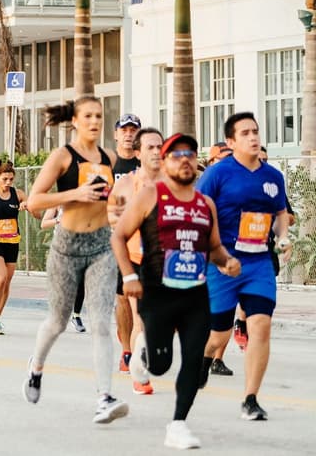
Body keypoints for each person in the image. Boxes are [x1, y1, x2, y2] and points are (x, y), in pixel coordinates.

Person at [111, 132, 241, 450]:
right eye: (177, 154)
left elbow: (213, 246)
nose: (185, 160)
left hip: (195, 294)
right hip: (158, 293)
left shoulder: (205, 204)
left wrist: (227, 261)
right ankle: (142, 353)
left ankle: (178, 423)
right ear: (166, 162)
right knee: (160, 365)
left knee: (194, 359)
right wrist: (129, 276)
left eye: (190, 155)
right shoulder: (150, 195)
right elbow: (119, 236)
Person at [24, 96, 128, 424]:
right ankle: (36, 367)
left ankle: (104, 397)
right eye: (88, 116)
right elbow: (34, 202)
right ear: (75, 121)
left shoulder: (110, 158)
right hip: (66, 246)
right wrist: (75, 194)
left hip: (100, 247)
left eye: (99, 115)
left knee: (101, 322)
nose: (94, 121)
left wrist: (117, 207)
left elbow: (112, 201)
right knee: (57, 321)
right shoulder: (63, 156)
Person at [195, 112, 290, 421]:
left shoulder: (273, 176)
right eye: (245, 133)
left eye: (255, 131)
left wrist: (283, 237)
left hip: (258, 263)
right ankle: (205, 358)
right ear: (231, 141)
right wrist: (214, 257)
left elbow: (280, 214)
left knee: (260, 325)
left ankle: (251, 399)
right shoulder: (217, 174)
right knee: (218, 336)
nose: (253, 137)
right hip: (223, 264)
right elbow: (198, 215)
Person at [108, 126, 164, 396]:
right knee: (141, 317)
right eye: (150, 147)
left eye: (160, 146)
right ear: (138, 153)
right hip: (136, 259)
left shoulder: (174, 182)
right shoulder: (126, 185)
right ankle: (139, 374)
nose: (156, 151)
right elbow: (113, 221)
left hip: (168, 260)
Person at [0, 160, 26, 335]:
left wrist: (27, 205)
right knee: (1, 278)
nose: (8, 183)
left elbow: (37, 212)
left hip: (12, 242)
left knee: (7, 281)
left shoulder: (18, 194)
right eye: (4, 179)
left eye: (11, 179)